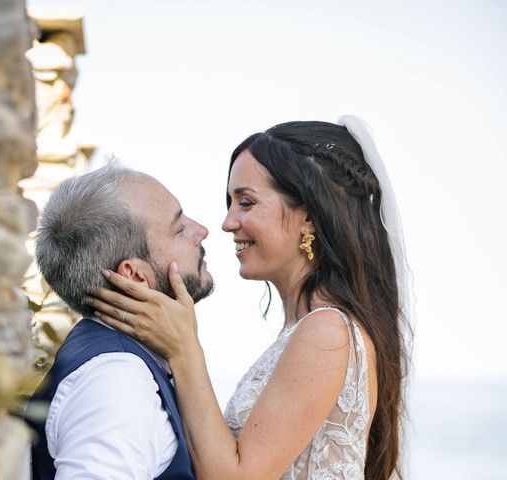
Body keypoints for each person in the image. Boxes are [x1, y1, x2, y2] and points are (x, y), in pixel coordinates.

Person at [89, 117, 411, 479]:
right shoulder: (308, 329)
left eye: (245, 202)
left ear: (308, 216)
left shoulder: (328, 334)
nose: (227, 222)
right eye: (230, 202)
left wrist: (184, 349)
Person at [26, 164, 214, 479]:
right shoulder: (116, 379)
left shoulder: (114, 361)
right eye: (178, 228)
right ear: (135, 275)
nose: (201, 231)